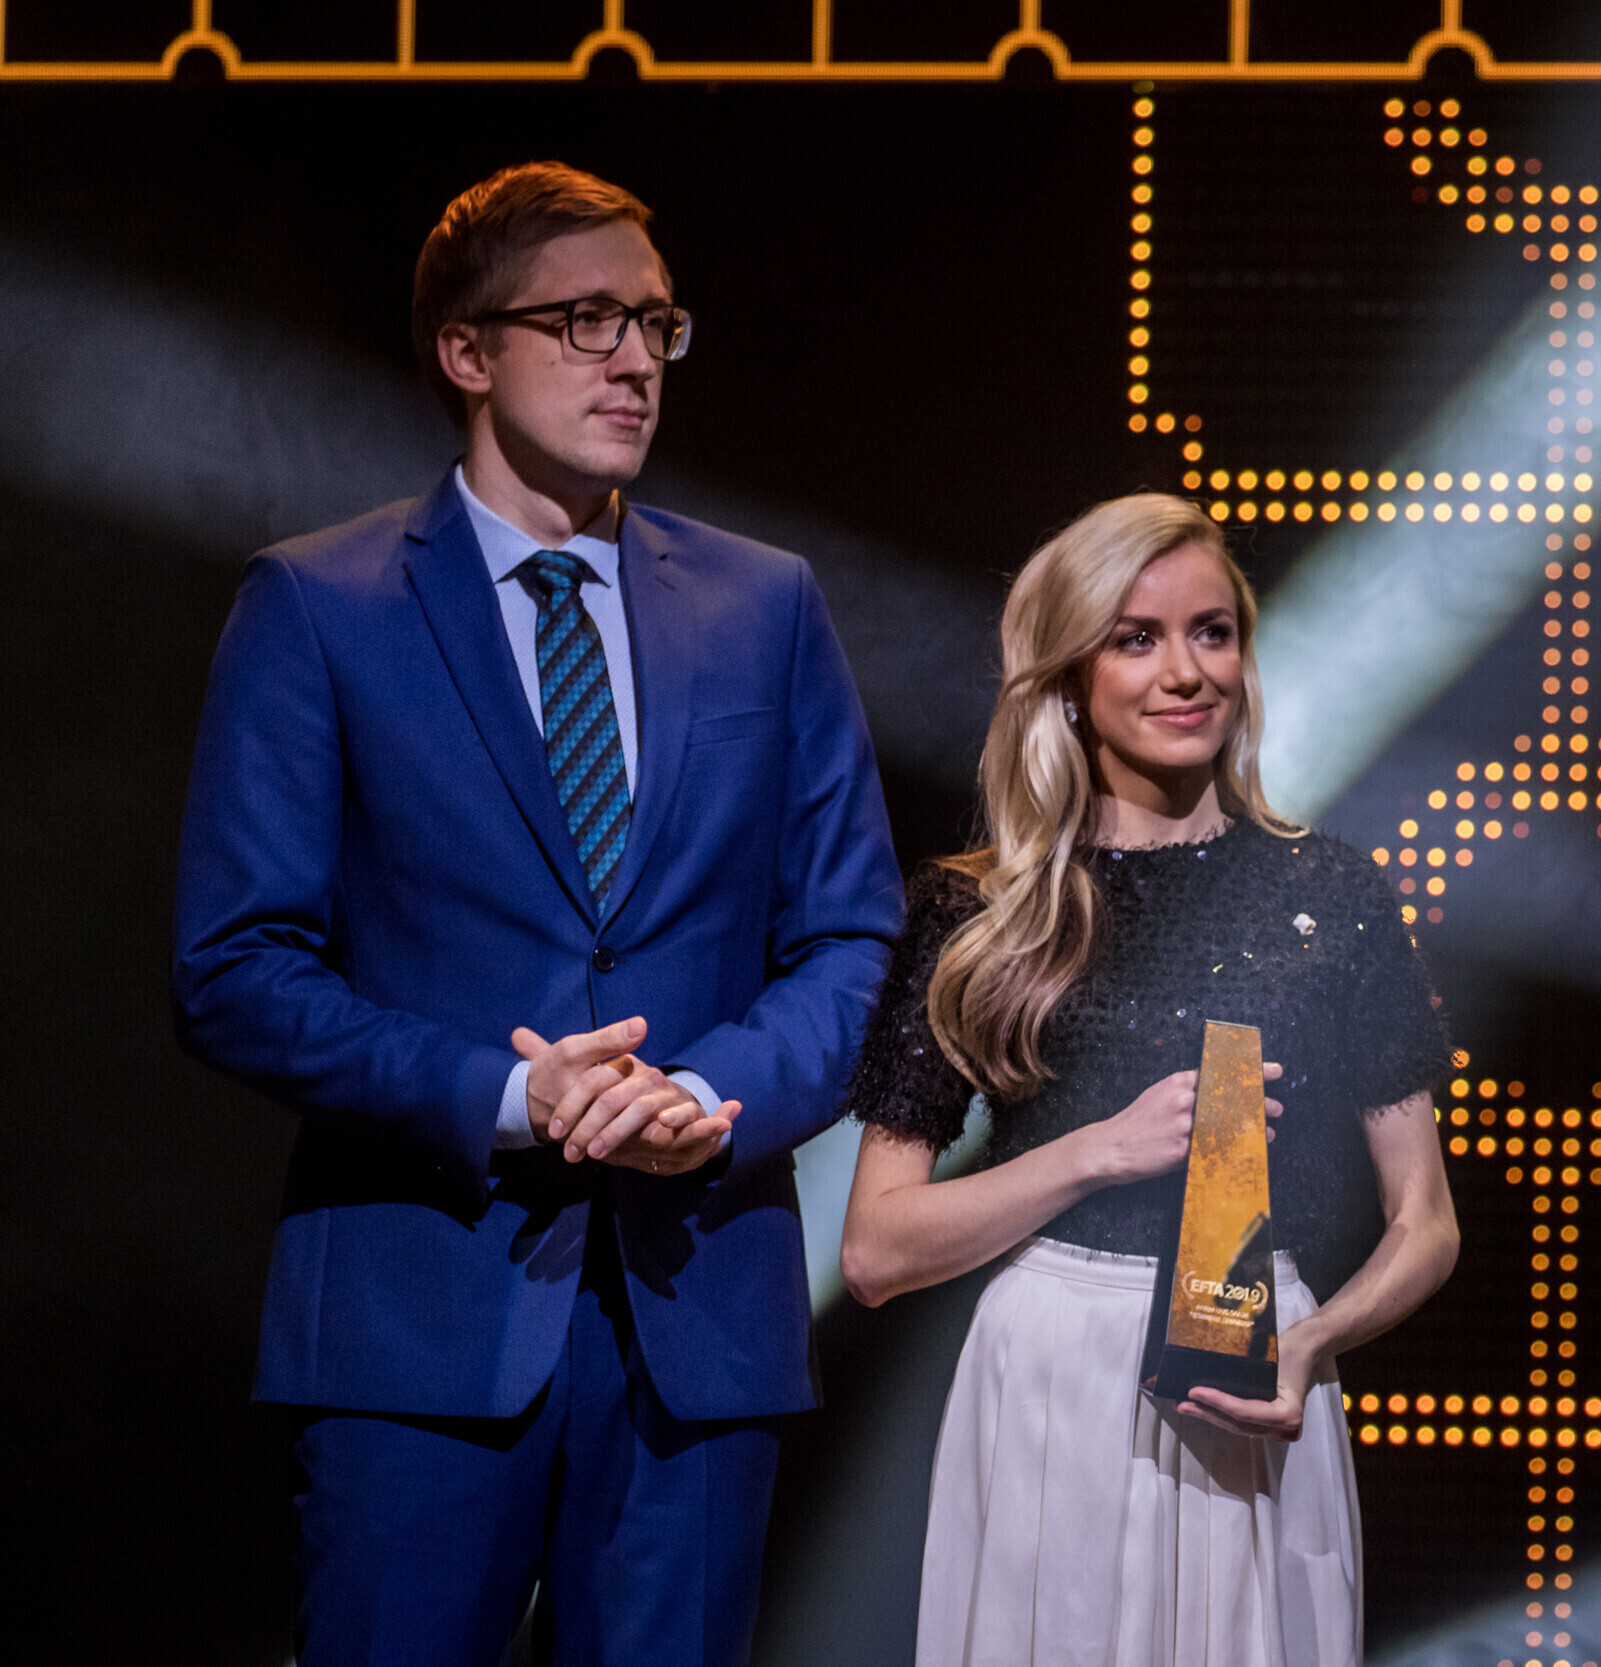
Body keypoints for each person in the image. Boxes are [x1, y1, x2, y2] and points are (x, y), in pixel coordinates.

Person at [172, 162, 902, 1665]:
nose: (635, 360)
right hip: (417, 1326)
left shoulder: (765, 604)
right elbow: (234, 965)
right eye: (585, 322)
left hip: (697, 1325)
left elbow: (852, 937)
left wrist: (706, 1092)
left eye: (656, 324)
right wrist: (508, 1096)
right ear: (467, 350)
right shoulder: (320, 604)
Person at [837, 493, 1460, 1667]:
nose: (1185, 671)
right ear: (1071, 677)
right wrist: (1093, 1152)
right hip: (1051, 1375)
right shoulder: (982, 910)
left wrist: (1308, 1342)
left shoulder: (1330, 891)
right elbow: (875, 1247)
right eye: (1137, 638)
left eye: (1211, 632)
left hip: (1254, 1373)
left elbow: (1424, 1221)